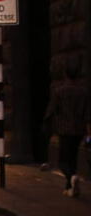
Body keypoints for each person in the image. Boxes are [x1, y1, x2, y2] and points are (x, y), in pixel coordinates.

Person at [44, 68, 91, 198]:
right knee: (73, 157)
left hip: (64, 130)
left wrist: (46, 122)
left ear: (65, 75)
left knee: (63, 161)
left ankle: (72, 176)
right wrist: (88, 133)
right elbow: (88, 115)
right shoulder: (84, 92)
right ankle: (69, 188)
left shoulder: (59, 91)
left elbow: (52, 109)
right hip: (79, 130)